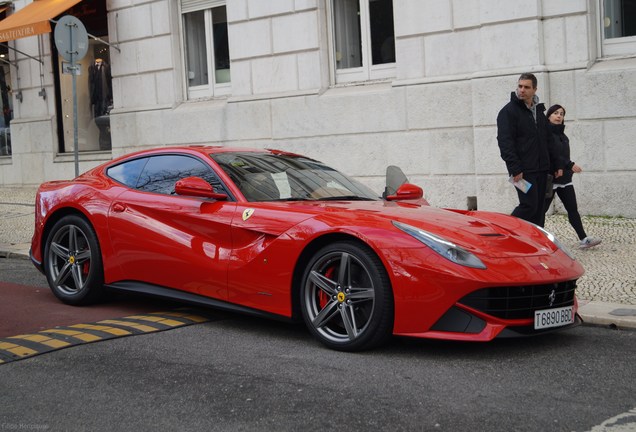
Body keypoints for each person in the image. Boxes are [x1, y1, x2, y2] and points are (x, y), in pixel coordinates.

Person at [497, 72, 561, 227]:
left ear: (535, 89)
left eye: (526, 87)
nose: (522, 90)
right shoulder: (508, 112)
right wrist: (515, 169)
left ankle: (536, 242)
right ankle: (507, 231)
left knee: (539, 209)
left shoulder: (539, 111)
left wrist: (557, 165)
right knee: (529, 205)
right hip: (522, 171)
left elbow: (548, 141)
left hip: (542, 168)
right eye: (520, 86)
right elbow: (505, 143)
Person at [544, 104, 602, 249]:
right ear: (549, 115)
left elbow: (562, 155)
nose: (559, 116)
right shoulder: (545, 134)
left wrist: (567, 168)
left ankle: (584, 239)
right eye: (555, 113)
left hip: (564, 179)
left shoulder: (563, 135)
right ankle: (537, 240)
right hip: (550, 179)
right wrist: (570, 164)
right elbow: (552, 154)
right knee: (540, 211)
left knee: (572, 209)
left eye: (562, 114)